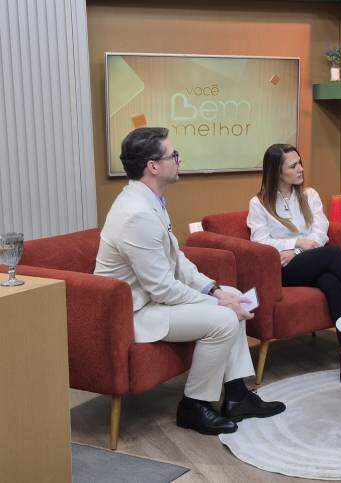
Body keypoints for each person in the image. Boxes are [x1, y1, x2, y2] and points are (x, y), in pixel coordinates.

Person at [94, 127, 285, 436]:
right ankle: (194, 406)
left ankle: (236, 397)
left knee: (233, 294)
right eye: (173, 155)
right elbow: (162, 288)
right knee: (224, 317)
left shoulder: (150, 200)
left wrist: (216, 290)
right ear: (153, 166)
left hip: (154, 300)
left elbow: (178, 261)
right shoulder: (136, 214)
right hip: (135, 312)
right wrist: (219, 303)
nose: (179, 160)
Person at [247, 143, 341, 387]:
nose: (300, 169)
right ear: (277, 172)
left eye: (300, 163)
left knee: (331, 281)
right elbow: (260, 241)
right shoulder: (259, 204)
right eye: (293, 166)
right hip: (283, 270)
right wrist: (296, 242)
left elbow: (320, 232)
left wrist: (297, 250)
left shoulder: (309, 195)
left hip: (310, 260)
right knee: (333, 254)